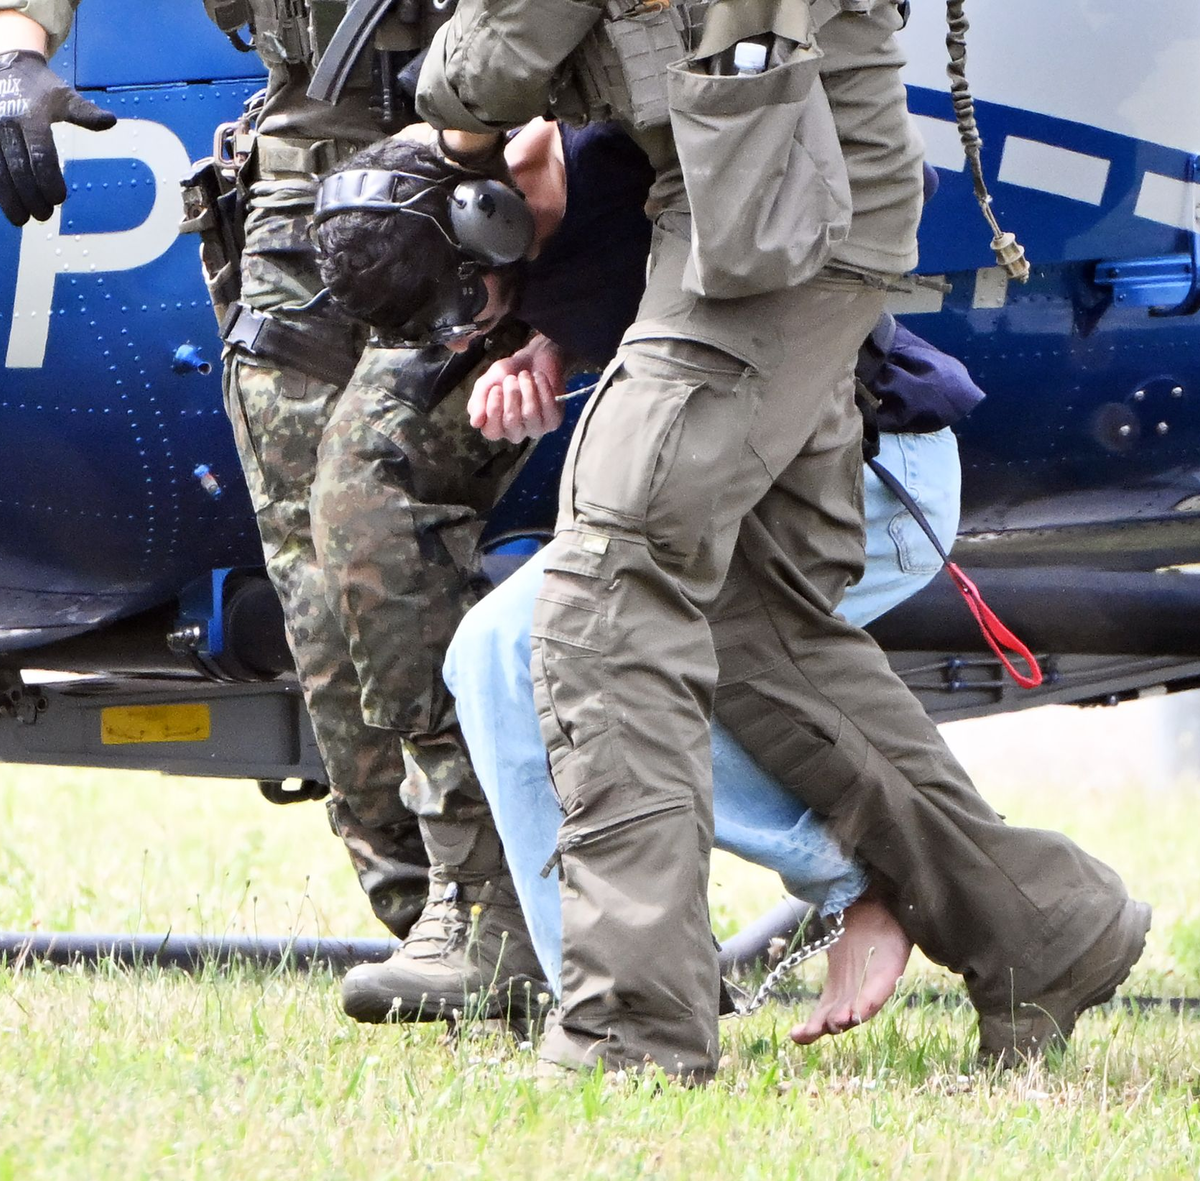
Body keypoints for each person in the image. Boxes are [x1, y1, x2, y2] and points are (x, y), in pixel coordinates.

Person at [409, 0, 1150, 1079]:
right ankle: (1044, 926)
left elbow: (494, 59)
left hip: (776, 209)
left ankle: (635, 1031)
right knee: (750, 617)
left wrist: (454, 123)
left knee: (611, 578)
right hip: (755, 198)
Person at [313, 118, 971, 1045]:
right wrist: (556, 345)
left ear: (491, 218)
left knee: (592, 670)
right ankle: (597, 995)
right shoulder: (523, 231)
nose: (473, 330)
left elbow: (850, 207)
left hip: (866, 481)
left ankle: (858, 879)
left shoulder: (635, 152)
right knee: (491, 655)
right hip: (727, 493)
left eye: (474, 302)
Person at [0, 1, 543, 1002]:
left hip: (480, 171)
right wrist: (19, 46)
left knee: (373, 515)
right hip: (301, 192)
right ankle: (434, 917)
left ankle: (491, 910)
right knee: (317, 596)